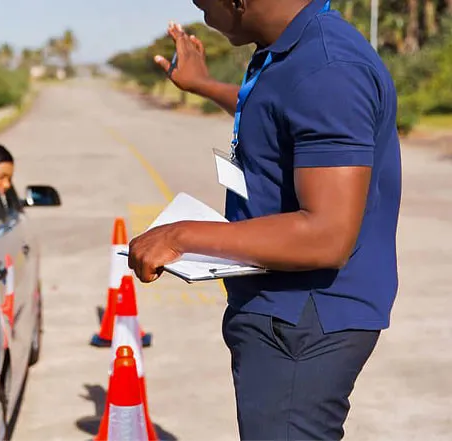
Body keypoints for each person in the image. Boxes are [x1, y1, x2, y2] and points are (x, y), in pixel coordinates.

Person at [127, 1, 401, 439]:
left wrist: (181, 236)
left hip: (304, 320)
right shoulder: (295, 51)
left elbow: (327, 235)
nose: (198, 7)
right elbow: (283, 113)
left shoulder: (327, 68)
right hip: (286, 311)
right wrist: (205, 85)